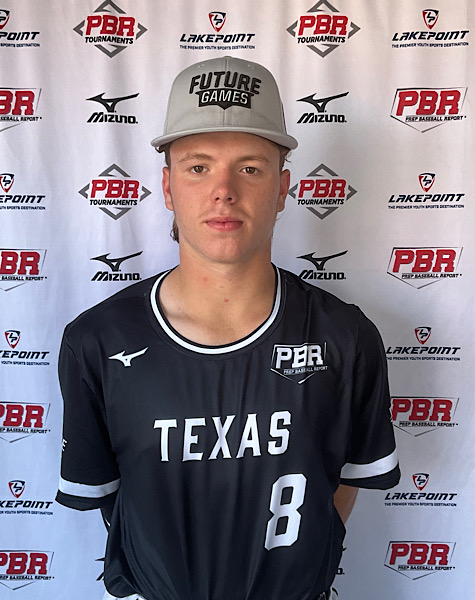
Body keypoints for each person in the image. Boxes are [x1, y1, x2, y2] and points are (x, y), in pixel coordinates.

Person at [56, 56, 400, 600]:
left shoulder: (346, 336)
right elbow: (108, 496)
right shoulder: (97, 341)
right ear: (167, 187)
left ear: (282, 188)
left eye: (250, 168)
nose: (223, 190)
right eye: (198, 167)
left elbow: (343, 485)